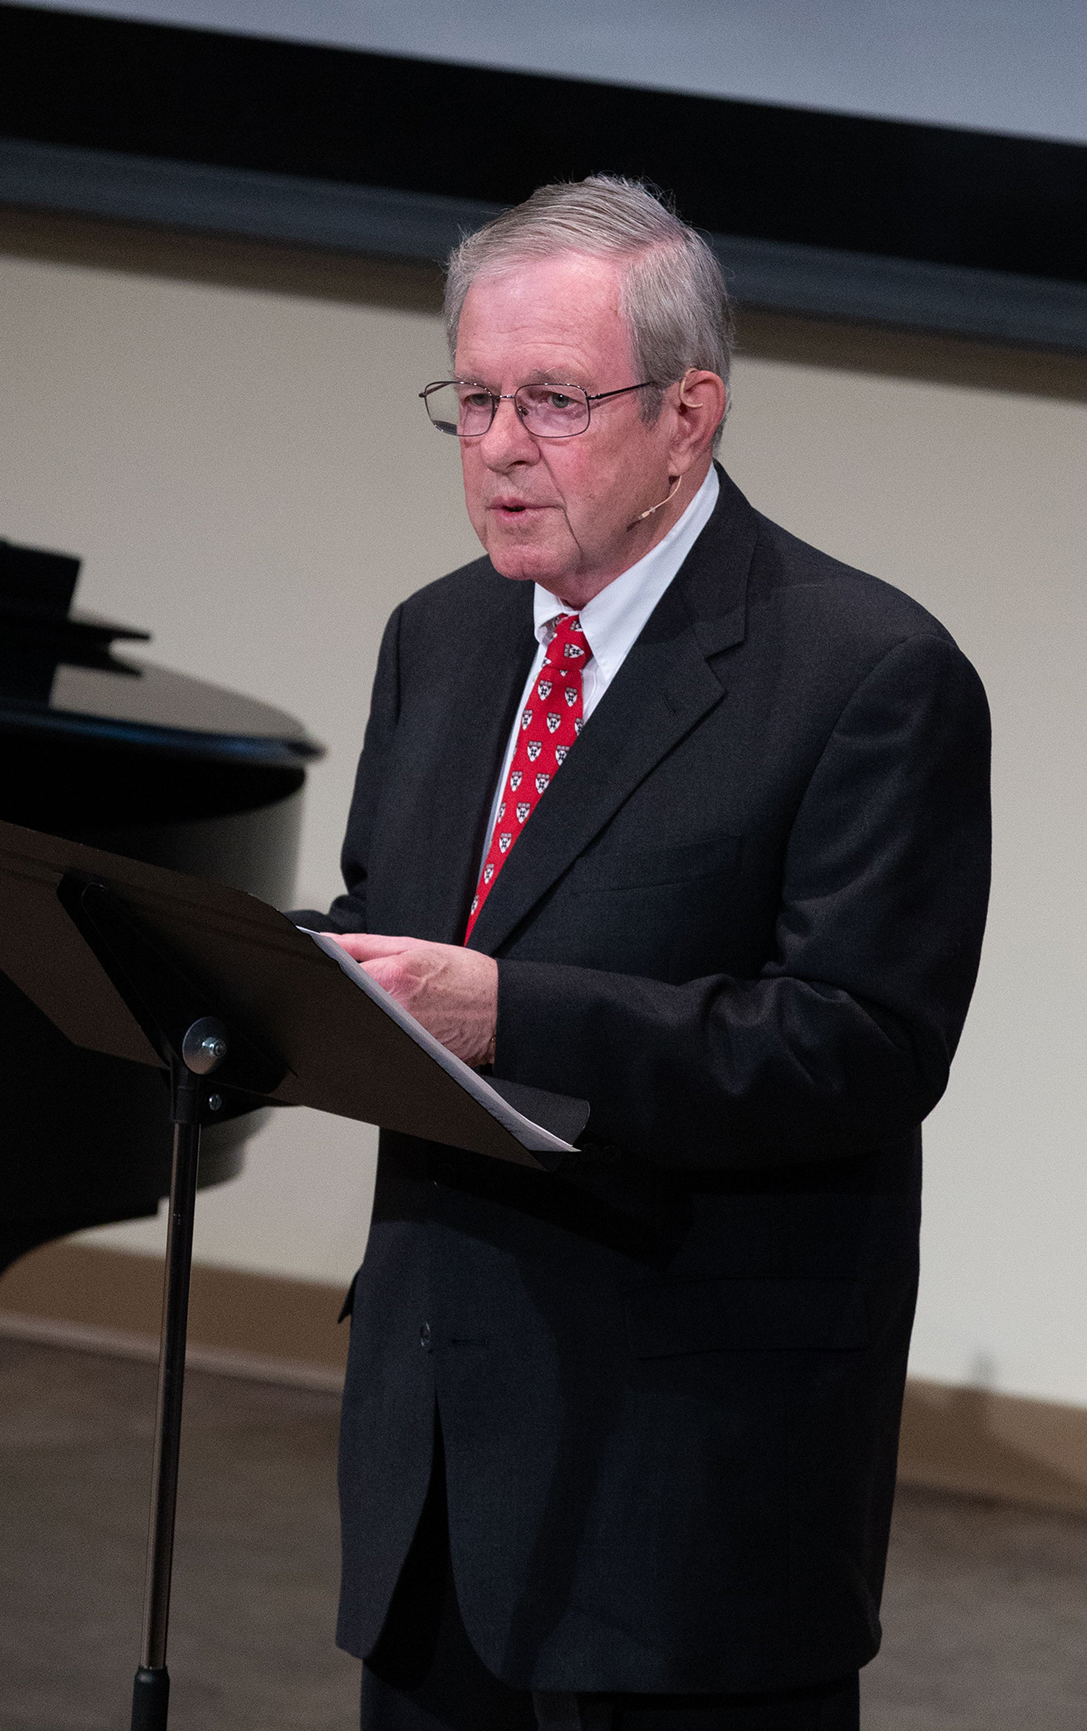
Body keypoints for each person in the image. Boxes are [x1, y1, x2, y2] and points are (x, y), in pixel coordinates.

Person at [291, 176, 991, 1731]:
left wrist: (506, 1014)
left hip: (685, 1471)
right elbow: (394, 917)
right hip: (440, 1456)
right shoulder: (446, 633)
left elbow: (861, 1046)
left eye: (552, 400)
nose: (496, 445)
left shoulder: (867, 671)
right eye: (471, 399)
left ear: (689, 416)